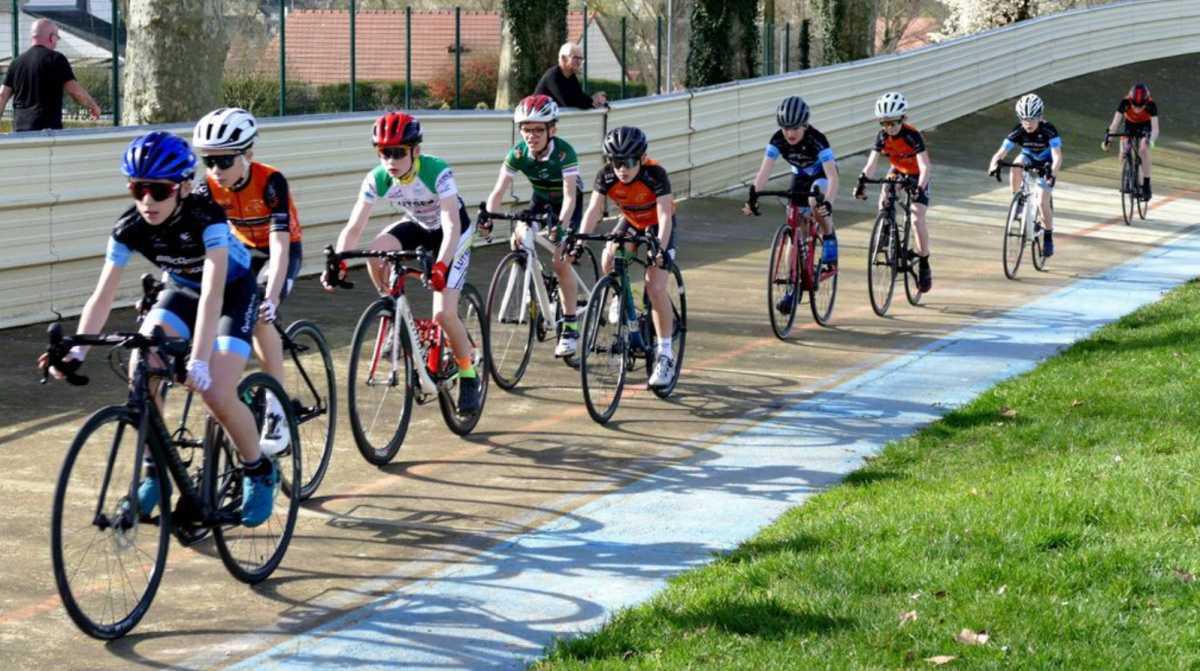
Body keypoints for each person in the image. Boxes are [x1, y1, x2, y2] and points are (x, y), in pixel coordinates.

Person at [36, 132, 278, 527]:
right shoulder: (130, 226)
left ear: (182, 186)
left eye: (159, 190)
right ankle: (154, 473)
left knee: (216, 390)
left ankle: (258, 468)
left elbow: (214, 295)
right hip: (181, 290)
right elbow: (102, 295)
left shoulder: (206, 216)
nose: (147, 200)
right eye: (138, 188)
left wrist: (199, 359)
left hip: (231, 293)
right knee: (140, 366)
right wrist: (77, 352)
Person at [323, 112, 483, 413]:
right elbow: (355, 226)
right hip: (419, 226)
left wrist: (441, 265)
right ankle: (393, 313)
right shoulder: (378, 178)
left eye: (398, 153)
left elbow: (450, 224)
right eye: (384, 153)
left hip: (453, 234)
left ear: (416, 151)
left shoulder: (437, 171)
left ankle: (468, 374)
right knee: (375, 252)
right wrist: (340, 263)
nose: (391, 161)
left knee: (444, 315)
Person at [193, 107, 301, 450]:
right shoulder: (207, 187)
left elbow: (280, 246)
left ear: (248, 155)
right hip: (242, 253)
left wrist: (270, 298)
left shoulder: (271, 182)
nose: (215, 170)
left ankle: (276, 407)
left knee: (259, 314)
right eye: (209, 161)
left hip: (279, 252)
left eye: (225, 161)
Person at [577, 126, 677, 388]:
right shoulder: (606, 176)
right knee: (609, 256)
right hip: (632, 221)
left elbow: (665, 215)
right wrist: (578, 241)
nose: (623, 168)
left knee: (655, 286)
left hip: (657, 225)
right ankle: (622, 297)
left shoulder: (655, 174)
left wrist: (660, 250)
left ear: (642, 159)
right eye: (616, 162)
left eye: (630, 162)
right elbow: (593, 210)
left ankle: (665, 354)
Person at [484, 94, 584, 357]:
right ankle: (534, 273)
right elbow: (498, 191)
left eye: (538, 129)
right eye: (526, 129)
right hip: (540, 200)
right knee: (519, 235)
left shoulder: (564, 152)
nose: (531, 135)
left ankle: (571, 327)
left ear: (552, 129)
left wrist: (561, 227)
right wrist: (488, 217)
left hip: (566, 204)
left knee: (561, 262)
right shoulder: (518, 153)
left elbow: (571, 196)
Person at [743, 96, 840, 314]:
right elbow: (764, 172)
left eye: (795, 127)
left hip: (822, 176)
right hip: (799, 177)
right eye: (785, 128)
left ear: (805, 125)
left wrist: (829, 204)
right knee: (794, 227)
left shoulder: (818, 140)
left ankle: (829, 235)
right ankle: (792, 284)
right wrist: (753, 197)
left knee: (816, 200)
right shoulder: (777, 140)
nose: (790, 133)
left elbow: (833, 177)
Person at [855, 91, 933, 293]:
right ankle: (885, 226)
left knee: (916, 218)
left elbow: (925, 167)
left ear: (903, 119)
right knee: (886, 190)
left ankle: (924, 261)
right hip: (898, 170)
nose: (889, 128)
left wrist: (919, 187)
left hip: (916, 175)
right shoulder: (882, 137)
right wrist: (862, 181)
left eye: (893, 123)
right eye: (884, 123)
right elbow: (871, 164)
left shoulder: (912, 135)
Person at [988, 93, 1063, 257]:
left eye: (1032, 119)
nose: (1028, 123)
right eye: (1024, 119)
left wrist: (1052, 173)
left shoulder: (1049, 130)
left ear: (1040, 117)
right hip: (1029, 157)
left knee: (1043, 202)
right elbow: (1000, 153)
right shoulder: (1018, 130)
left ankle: (1048, 236)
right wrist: (993, 165)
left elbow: (1057, 156)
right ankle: (1018, 201)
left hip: (1046, 162)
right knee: (1016, 165)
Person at [0, 18, 100, 131]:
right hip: (47, 131)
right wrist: (93, 106)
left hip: (20, 131)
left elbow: (2, 96)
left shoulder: (16, 63)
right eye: (57, 38)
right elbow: (74, 91)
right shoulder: (56, 59)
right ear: (52, 37)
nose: (56, 42)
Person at [1102, 82, 1158, 199]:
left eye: (1141, 106)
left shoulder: (1151, 104)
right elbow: (1115, 124)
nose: (1137, 109)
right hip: (1130, 125)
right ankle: (1128, 176)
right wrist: (1108, 140)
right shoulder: (1125, 102)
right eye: (1135, 106)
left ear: (1146, 101)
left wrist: (1151, 141)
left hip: (1145, 126)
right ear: (1130, 100)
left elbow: (1155, 128)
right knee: (1123, 151)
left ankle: (1146, 184)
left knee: (1143, 149)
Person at [534, 42, 607, 111]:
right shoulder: (553, 76)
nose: (579, 62)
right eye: (575, 58)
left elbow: (579, 96)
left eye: (580, 58)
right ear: (563, 59)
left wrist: (594, 100)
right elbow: (567, 102)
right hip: (536, 121)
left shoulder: (571, 76)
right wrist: (592, 102)